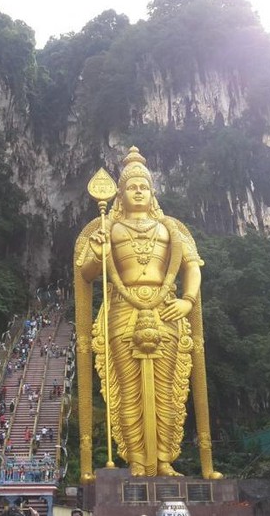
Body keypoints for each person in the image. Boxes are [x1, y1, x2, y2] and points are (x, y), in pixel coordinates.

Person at [74, 146, 220, 479]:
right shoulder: (108, 228)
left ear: (152, 192)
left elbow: (192, 267)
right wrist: (98, 252)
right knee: (129, 391)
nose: (138, 192)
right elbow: (86, 273)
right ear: (120, 195)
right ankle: (137, 461)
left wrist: (188, 300)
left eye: (144, 187)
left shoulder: (170, 228)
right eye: (132, 187)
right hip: (123, 311)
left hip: (166, 308)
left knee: (166, 390)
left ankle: (165, 459)